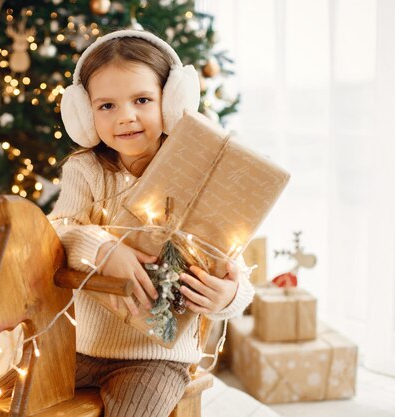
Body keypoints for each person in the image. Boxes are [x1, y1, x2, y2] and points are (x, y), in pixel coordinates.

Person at [51, 29, 255, 417]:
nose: (125, 116)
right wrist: (103, 249)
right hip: (80, 345)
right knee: (8, 400)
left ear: (172, 101)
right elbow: (57, 231)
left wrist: (228, 297)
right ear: (85, 114)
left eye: (142, 100)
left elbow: (236, 268)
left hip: (155, 359)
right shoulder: (85, 170)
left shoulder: (198, 172)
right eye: (106, 106)